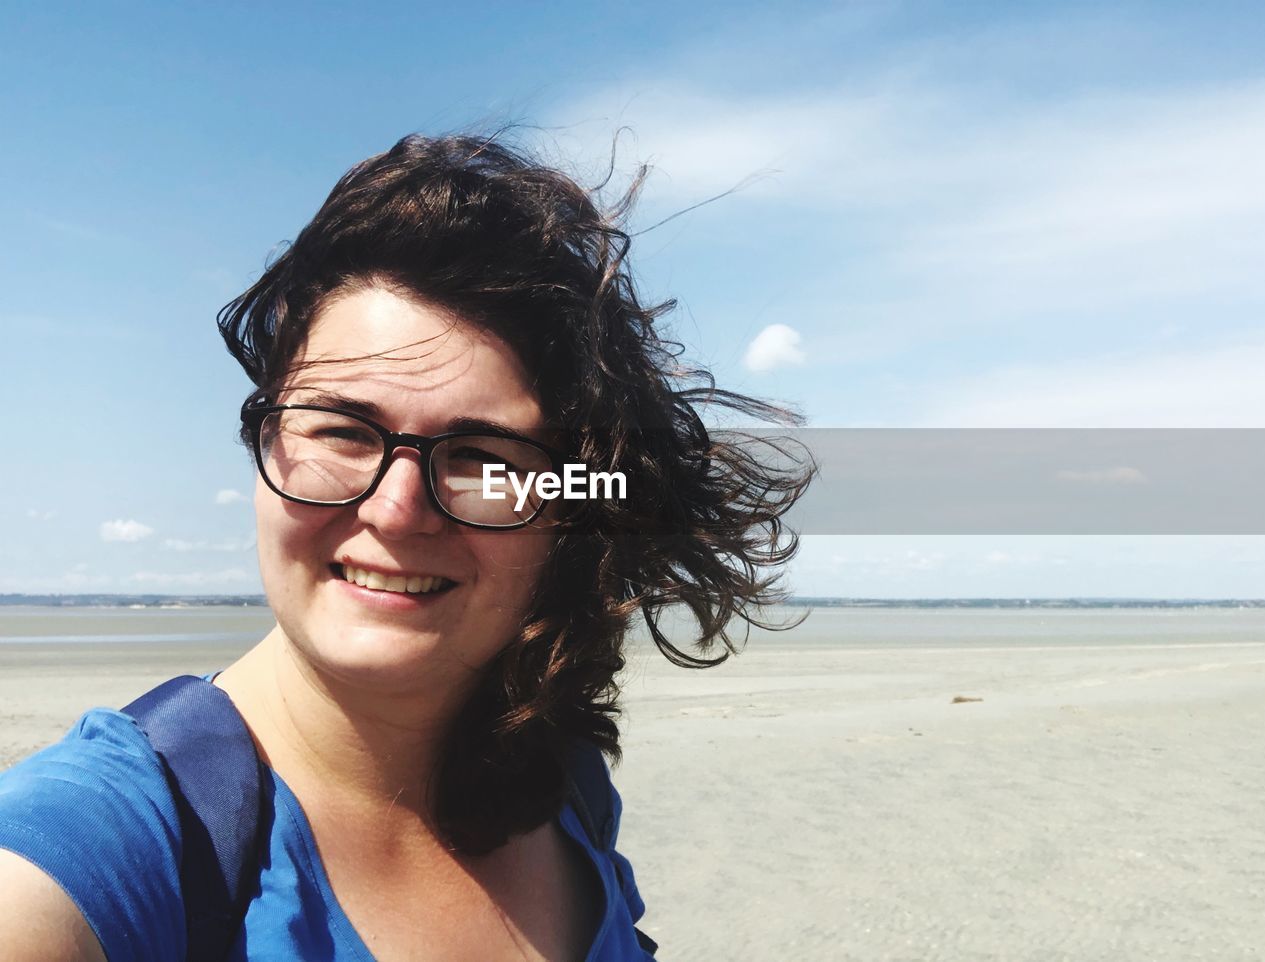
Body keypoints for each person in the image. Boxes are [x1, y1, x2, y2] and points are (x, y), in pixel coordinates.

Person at [0, 132, 812, 961]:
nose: (397, 511)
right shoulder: (105, 846)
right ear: (265, 442)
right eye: (345, 430)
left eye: (480, 457)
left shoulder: (561, 783)